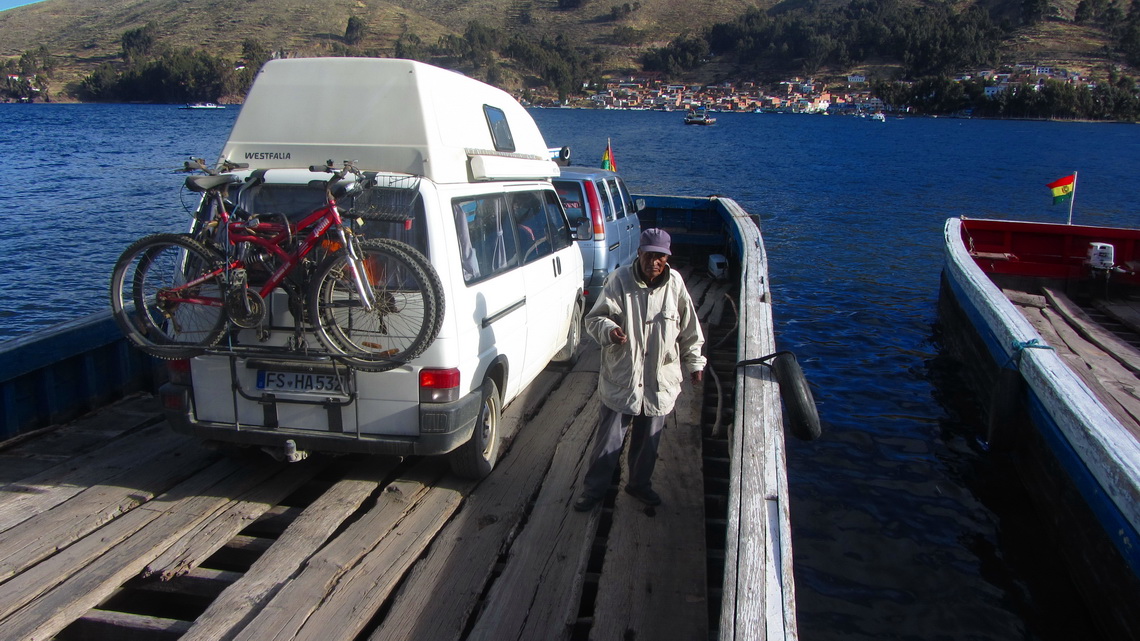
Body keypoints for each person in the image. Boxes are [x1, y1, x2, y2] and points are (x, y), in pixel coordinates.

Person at [573, 228, 706, 512]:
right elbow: (594, 319)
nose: (653, 262)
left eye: (660, 257)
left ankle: (639, 485)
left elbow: (690, 330)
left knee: (648, 444)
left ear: (667, 258)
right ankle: (594, 490)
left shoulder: (676, 285)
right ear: (639, 253)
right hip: (623, 379)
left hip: (659, 383)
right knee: (608, 441)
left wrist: (695, 362)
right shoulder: (618, 280)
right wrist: (610, 331)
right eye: (649, 255)